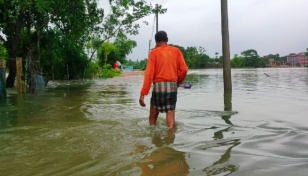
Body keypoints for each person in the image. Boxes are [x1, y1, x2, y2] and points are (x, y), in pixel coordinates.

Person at [139, 31, 188, 129]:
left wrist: (142, 94)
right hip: (172, 86)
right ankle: (169, 142)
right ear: (167, 40)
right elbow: (184, 70)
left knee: (152, 118)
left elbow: (149, 74)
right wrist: (178, 82)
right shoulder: (176, 51)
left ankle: (153, 138)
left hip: (158, 87)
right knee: (170, 120)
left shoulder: (154, 53)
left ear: (156, 42)